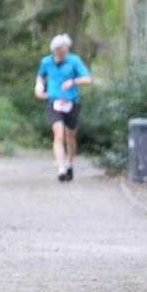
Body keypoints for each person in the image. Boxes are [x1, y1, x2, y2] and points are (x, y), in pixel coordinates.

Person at [34, 34, 93, 181]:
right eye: (60, 51)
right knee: (58, 135)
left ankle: (70, 163)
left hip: (72, 101)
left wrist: (73, 82)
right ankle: (61, 169)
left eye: (65, 50)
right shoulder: (46, 62)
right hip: (54, 101)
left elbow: (88, 79)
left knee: (70, 137)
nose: (63, 53)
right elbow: (40, 75)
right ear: (55, 51)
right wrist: (39, 87)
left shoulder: (74, 61)